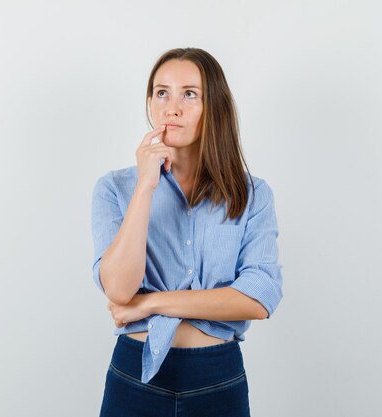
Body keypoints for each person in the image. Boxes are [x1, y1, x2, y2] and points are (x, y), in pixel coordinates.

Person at [91, 47, 284, 416]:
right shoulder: (114, 188)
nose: (172, 107)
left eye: (189, 94)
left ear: (215, 107)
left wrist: (148, 304)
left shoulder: (253, 194)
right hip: (135, 376)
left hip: (218, 378)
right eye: (162, 92)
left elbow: (259, 298)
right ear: (150, 102)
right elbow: (118, 288)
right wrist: (145, 185)